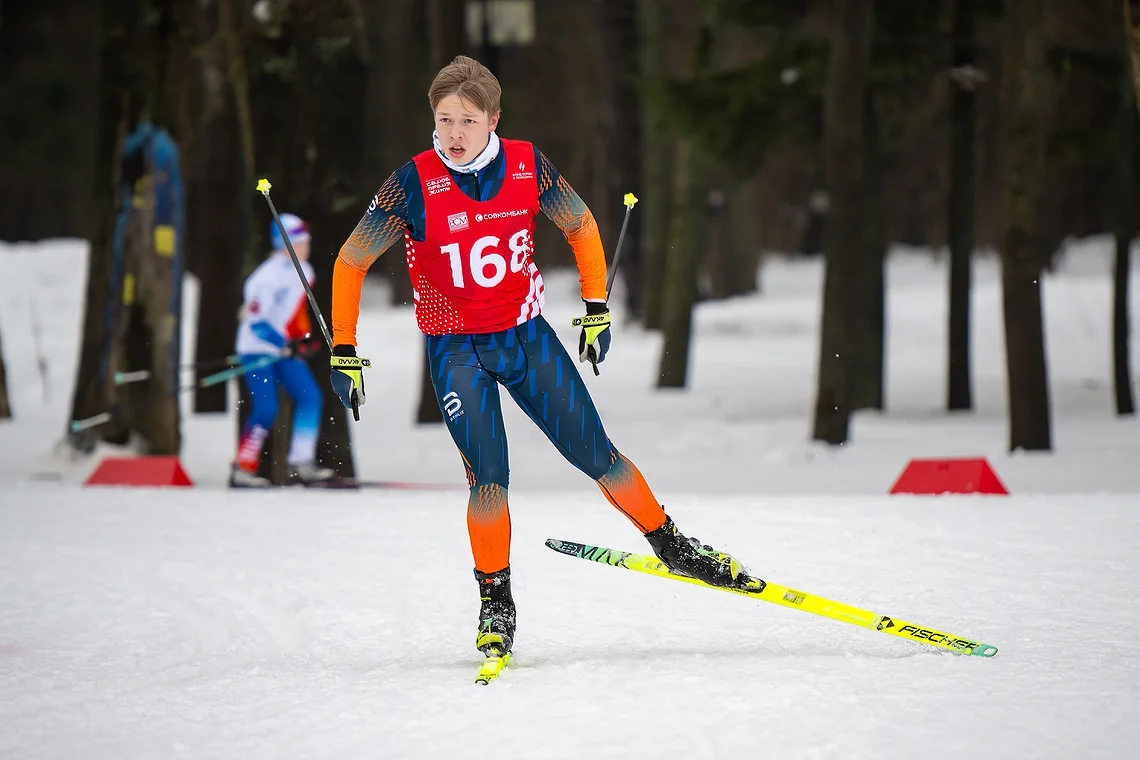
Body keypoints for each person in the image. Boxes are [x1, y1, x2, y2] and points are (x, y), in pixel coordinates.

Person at [328, 56, 753, 657]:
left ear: (494, 119)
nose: (453, 134)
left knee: (598, 455)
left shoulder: (528, 165)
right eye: (443, 119)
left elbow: (580, 225)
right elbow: (351, 261)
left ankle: (673, 545)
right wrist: (345, 349)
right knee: (489, 481)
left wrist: (597, 305)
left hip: (527, 339)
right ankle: (495, 603)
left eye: (467, 121)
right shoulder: (412, 182)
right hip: (458, 352)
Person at [229, 213, 339, 488]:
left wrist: (300, 340)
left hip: (282, 349)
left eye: (306, 242)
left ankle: (301, 462)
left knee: (310, 397)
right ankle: (242, 468)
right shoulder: (263, 279)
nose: (306, 247)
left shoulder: (306, 271)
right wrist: (284, 344)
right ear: (284, 245)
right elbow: (256, 323)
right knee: (267, 407)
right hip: (257, 349)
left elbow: (295, 313)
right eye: (299, 243)